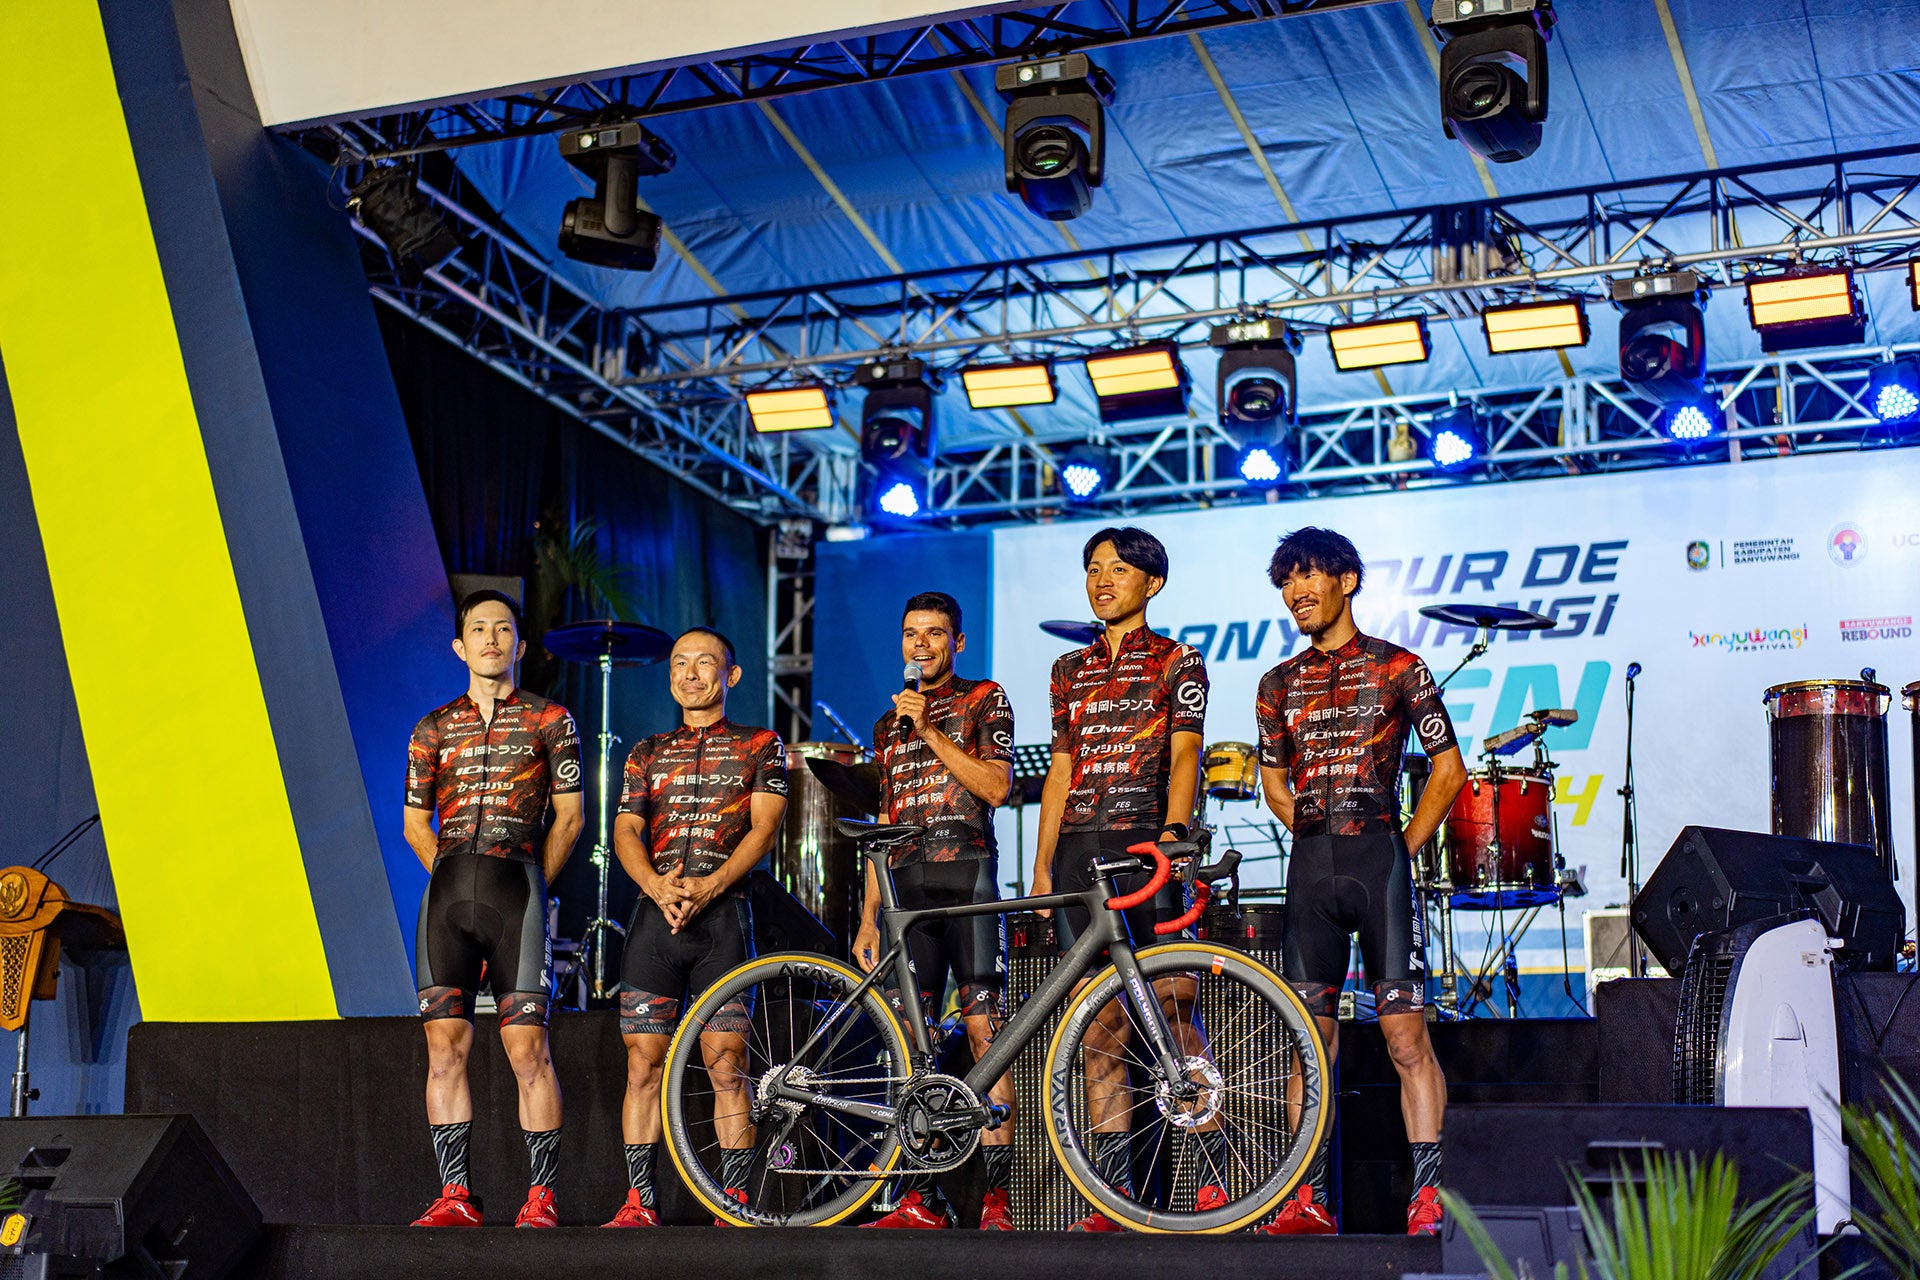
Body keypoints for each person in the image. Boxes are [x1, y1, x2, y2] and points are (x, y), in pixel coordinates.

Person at [1254, 527, 1466, 1238]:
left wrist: (1396, 850)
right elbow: (1275, 786)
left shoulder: (1401, 666)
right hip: (1311, 872)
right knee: (1309, 1048)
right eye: (1286, 581)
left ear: (1346, 580)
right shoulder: (1276, 684)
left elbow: (1448, 773)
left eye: (1308, 575)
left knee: (1406, 1041)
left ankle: (1428, 1199)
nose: (1296, 591)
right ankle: (1306, 1199)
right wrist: (1320, 837)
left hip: (1380, 867)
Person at [1031, 526, 1216, 1233]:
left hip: (1147, 845)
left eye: (1117, 568)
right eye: (1092, 569)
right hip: (1079, 852)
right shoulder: (1066, 669)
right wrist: (1043, 864)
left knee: (1174, 1009)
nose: (1101, 580)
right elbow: (1060, 771)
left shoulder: (1178, 659)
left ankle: (1212, 1186)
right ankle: (1112, 1201)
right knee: (1099, 1028)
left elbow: (1186, 753)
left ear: (1152, 583)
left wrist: (1174, 834)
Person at [405, 590, 585, 1229]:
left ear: (519, 645)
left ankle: (541, 1198)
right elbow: (414, 824)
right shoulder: (432, 727)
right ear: (460, 646)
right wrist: (455, 876)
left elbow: (570, 818)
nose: (490, 639)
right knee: (444, 1048)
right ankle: (455, 1194)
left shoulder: (550, 719)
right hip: (447, 898)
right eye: (478, 629)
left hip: (519, 893)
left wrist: (532, 881)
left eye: (503, 629)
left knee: (527, 1048)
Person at [603, 626, 787, 1227]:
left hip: (724, 920)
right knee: (641, 1064)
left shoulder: (761, 744)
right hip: (656, 920)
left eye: (704, 663)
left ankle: (731, 1203)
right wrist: (655, 885)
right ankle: (639, 1202)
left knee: (727, 1065)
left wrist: (710, 886)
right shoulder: (646, 750)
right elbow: (626, 830)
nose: (690, 673)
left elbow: (764, 828)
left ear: (730, 675)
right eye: (680, 663)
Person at [852, 592, 1019, 1230]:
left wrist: (928, 731)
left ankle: (996, 1201)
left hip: (968, 878)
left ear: (958, 642)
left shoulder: (985, 698)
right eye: (910, 634)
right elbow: (885, 820)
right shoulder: (884, 726)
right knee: (909, 1044)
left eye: (934, 633)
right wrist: (869, 915)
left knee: (985, 1034)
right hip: (906, 894)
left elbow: (996, 787)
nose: (920, 645)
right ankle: (918, 1197)